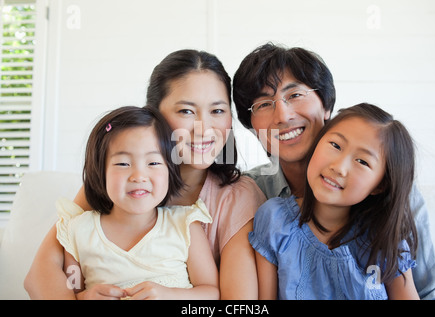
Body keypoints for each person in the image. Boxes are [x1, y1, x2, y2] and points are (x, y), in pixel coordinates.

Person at [24, 50, 266, 299]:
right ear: (153, 115)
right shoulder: (114, 186)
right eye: (186, 111)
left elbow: (237, 302)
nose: (203, 128)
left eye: (217, 111)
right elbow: (39, 276)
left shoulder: (237, 197)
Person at [233, 42, 435, 299]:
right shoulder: (249, 195)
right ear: (252, 126)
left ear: (326, 107)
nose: (282, 115)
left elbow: (431, 289)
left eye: (295, 95)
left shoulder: (392, 196)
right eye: (263, 104)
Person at [249, 103, 419, 299]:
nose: (339, 167)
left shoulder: (386, 238)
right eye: (335, 145)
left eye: (362, 161)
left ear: (380, 185)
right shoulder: (275, 220)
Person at [56, 106, 218, 299]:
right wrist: (84, 297)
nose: (139, 176)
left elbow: (211, 292)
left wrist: (169, 295)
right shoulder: (78, 230)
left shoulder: (185, 225)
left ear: (170, 170)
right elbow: (71, 290)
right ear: (100, 171)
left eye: (153, 163)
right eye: (123, 163)